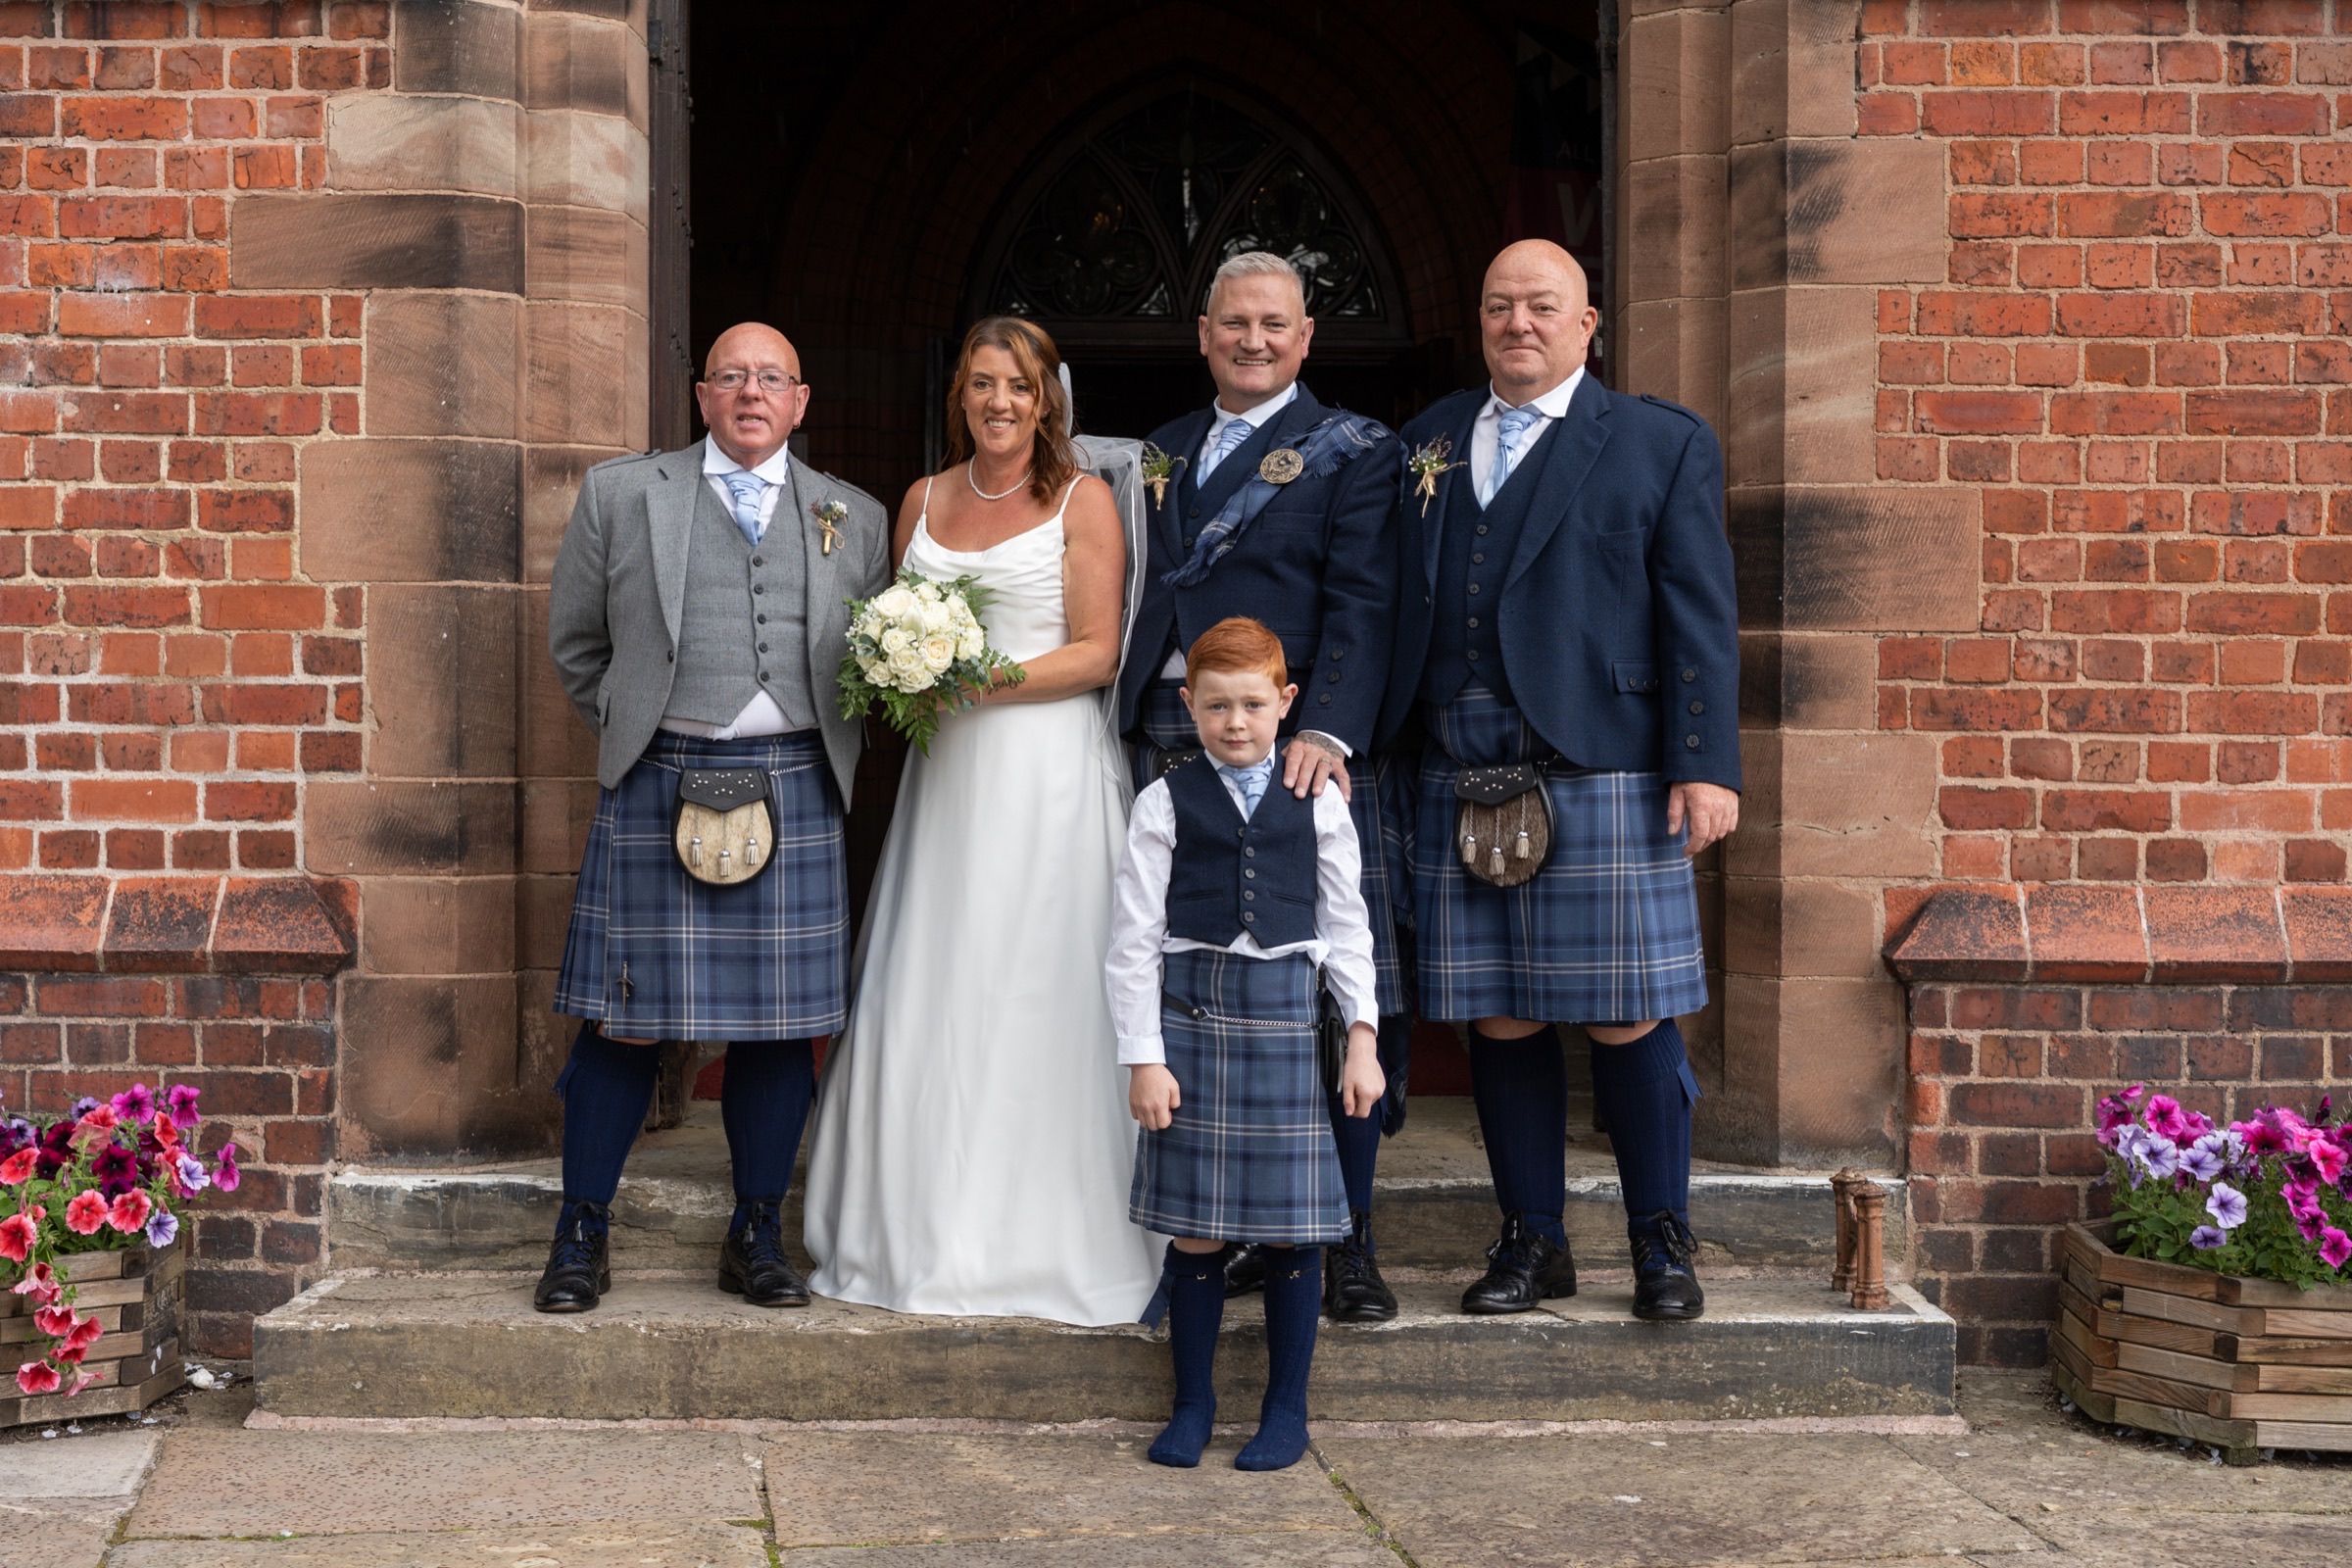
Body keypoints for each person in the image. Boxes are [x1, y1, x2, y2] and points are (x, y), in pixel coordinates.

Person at [1380, 240, 1740, 1322]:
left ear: (1590, 323)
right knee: (1498, 1017)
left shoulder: (1656, 443)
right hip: (1462, 764)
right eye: (1499, 307)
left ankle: (1660, 1241)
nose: (1518, 324)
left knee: (1629, 1013)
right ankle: (1533, 1239)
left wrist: (1705, 764)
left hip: (1606, 766)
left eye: (1543, 307)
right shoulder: (1426, 443)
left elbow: (1700, 616)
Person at [801, 317, 1161, 1326]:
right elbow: (884, 629)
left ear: (1046, 400)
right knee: (943, 969)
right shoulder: (922, 500)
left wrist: (975, 680)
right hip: (947, 775)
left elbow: (1096, 652)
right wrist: (900, 666)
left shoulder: (1083, 502)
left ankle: (1051, 1234)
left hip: (1042, 770)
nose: (998, 403)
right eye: (979, 385)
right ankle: (917, 1228)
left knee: (1037, 980)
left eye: (1017, 386)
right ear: (958, 396)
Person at [541, 322, 892, 1312]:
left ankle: (756, 1230)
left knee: (781, 1032)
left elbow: (869, 662)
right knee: (620, 1019)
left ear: (800, 400)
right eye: (731, 377)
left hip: (795, 784)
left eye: (769, 378)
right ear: (701, 397)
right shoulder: (623, 493)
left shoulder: (851, 516)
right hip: (660, 775)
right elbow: (576, 643)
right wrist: (636, 731)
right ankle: (581, 1230)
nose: (750, 393)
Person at [1115, 251, 1409, 1323]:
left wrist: (1325, 726)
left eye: (1274, 324)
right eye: (1235, 323)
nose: (1253, 340)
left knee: (1322, 993)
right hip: (1171, 741)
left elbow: (1365, 598)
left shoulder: (1351, 453)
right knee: (1198, 984)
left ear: (1305, 337)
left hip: (1293, 749)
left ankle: (1351, 1241)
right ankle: (1217, 1223)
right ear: (1203, 334)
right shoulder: (1161, 453)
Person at [1110, 616, 1384, 1471]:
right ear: (1187, 705)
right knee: (1195, 1233)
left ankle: (1287, 1413)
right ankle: (1192, 1407)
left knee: (1294, 1235)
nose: (1236, 723)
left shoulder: (1321, 799)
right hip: (1190, 1029)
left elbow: (1347, 927)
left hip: (1284, 1030)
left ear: (1285, 703)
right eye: (1218, 706)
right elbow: (1131, 941)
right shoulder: (1163, 799)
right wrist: (1141, 1056)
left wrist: (1363, 1039)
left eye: (1254, 705)